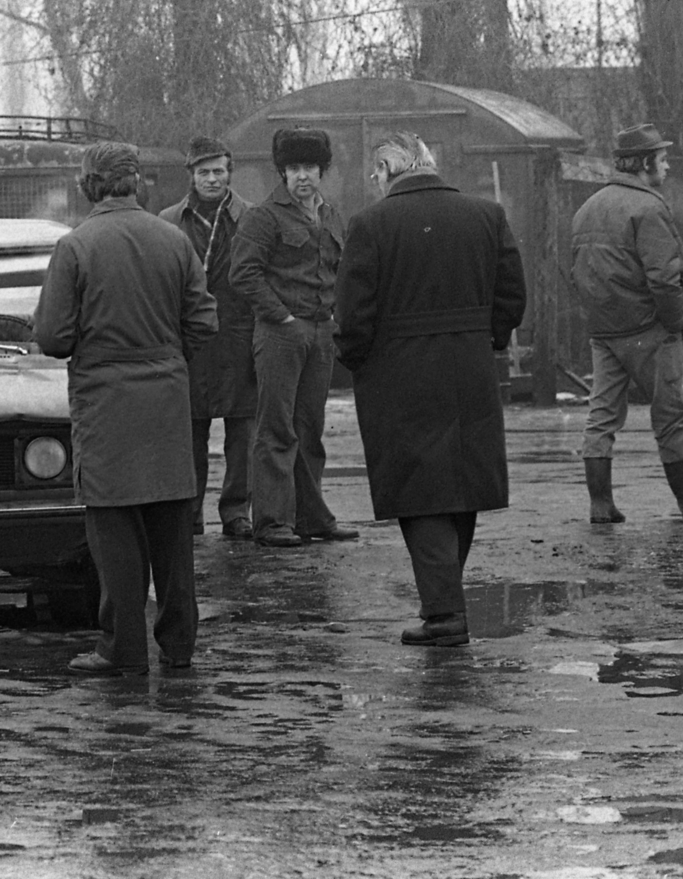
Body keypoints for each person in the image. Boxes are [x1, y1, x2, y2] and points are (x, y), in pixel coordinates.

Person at [33, 140, 218, 675]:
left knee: (114, 531)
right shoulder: (173, 239)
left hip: (105, 403)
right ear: (136, 182)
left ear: (89, 185)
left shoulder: (76, 246)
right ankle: (180, 647)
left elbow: (53, 336)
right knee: (172, 527)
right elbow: (203, 323)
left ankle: (123, 649)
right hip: (166, 399)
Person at [337, 131, 526, 647]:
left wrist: (356, 360)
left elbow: (354, 313)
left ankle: (444, 614)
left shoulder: (369, 225)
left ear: (387, 168)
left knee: (420, 492)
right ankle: (443, 601)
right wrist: (487, 338)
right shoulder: (486, 215)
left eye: (375, 174)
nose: (374, 184)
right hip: (469, 365)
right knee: (461, 481)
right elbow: (512, 294)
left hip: (399, 371)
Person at [229, 127, 358, 548]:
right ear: (282, 173)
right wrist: (281, 317)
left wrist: (335, 317)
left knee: (310, 427)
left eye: (310, 168)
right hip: (281, 334)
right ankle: (271, 521)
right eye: (294, 168)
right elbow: (243, 274)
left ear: (323, 171)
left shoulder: (331, 215)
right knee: (276, 428)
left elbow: (341, 270)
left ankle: (312, 517)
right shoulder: (263, 218)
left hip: (321, 333)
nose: (302, 176)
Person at [569, 122, 683, 522]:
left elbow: (577, 272)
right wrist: (677, 324)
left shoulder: (587, 208)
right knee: (673, 418)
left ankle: (601, 504)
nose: (667, 168)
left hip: (604, 332)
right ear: (645, 163)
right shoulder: (649, 208)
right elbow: (666, 280)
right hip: (650, 330)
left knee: (601, 416)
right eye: (663, 159)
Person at [159, 137, 257, 539]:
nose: (212, 179)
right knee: (190, 434)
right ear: (191, 176)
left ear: (229, 172)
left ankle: (237, 513)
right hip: (191, 341)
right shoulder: (168, 221)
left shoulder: (251, 217)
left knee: (243, 433)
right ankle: (191, 512)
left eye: (219, 171)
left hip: (240, 336)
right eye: (204, 172)